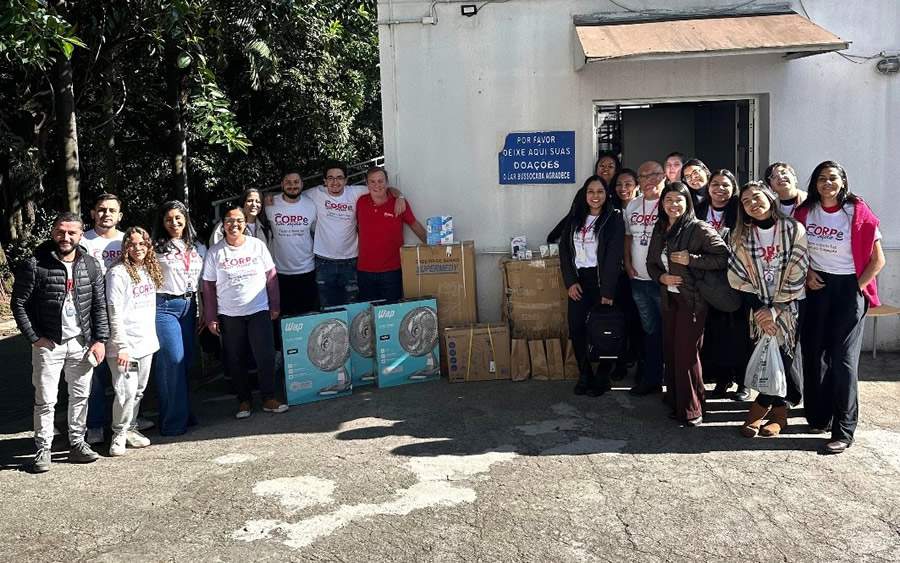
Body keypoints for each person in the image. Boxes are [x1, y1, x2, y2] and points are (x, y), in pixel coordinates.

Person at [794, 161, 885, 454]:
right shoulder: (805, 211)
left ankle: (844, 430)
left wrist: (856, 287)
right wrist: (807, 273)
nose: (827, 183)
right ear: (814, 183)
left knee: (843, 360)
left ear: (843, 181)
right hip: (816, 288)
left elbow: (877, 260)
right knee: (813, 353)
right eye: (821, 178)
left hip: (849, 288)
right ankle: (819, 417)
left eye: (833, 178)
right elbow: (797, 251)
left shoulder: (857, 211)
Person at [12, 212, 109, 473]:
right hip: (49, 344)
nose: (65, 237)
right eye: (60, 231)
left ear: (81, 234)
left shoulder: (90, 264)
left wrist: (100, 340)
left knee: (81, 395)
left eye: (71, 232)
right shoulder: (36, 263)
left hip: (81, 342)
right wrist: (35, 338)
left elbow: (99, 305)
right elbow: (19, 303)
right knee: (45, 400)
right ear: (53, 231)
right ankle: (43, 449)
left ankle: (77, 444)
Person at [728, 181, 808, 437]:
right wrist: (761, 309)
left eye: (757, 197)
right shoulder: (741, 235)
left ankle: (761, 411)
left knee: (783, 358)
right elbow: (736, 275)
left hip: (789, 306)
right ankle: (780, 416)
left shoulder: (793, 229)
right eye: (746, 200)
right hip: (758, 308)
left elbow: (799, 269)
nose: (753, 203)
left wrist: (775, 309)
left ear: (770, 197)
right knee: (767, 358)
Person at [647, 182, 729, 426]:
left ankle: (692, 409)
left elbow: (723, 257)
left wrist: (691, 259)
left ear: (687, 203)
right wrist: (660, 277)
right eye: (669, 200)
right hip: (669, 299)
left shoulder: (698, 228)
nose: (674, 205)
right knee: (671, 353)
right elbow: (652, 263)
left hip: (692, 301)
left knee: (686, 355)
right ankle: (675, 400)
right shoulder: (660, 228)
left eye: (678, 200)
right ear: (662, 204)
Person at [202, 205, 287, 419]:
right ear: (223, 224)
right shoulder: (215, 252)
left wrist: (274, 305)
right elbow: (209, 287)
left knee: (265, 356)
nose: (234, 225)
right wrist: (211, 317)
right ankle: (244, 401)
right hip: (230, 314)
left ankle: (269, 398)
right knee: (235, 359)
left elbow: (271, 276)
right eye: (230, 221)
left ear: (244, 223)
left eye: (239, 220)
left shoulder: (257, 246)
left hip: (259, 309)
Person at [557, 175, 625, 396]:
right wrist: (570, 282)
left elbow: (614, 255)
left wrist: (608, 291)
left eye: (600, 192)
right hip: (579, 281)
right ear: (585, 195)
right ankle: (584, 373)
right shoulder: (575, 217)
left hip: (602, 281)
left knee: (605, 330)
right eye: (591, 192)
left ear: (606, 195)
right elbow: (565, 252)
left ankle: (603, 376)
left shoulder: (613, 218)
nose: (595, 196)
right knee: (577, 328)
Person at [307, 161, 406, 307]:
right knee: (326, 307)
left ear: (346, 180)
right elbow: (292, 197)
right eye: (331, 178)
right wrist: (271, 199)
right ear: (324, 181)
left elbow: (384, 188)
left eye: (339, 177)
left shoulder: (355, 192)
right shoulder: (315, 193)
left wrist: (400, 197)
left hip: (351, 260)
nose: (335, 182)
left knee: (353, 308)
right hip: (324, 261)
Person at [104, 227, 162, 455]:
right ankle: (118, 434)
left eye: (142, 244)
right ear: (125, 247)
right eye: (132, 244)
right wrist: (121, 346)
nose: (137, 248)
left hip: (146, 341)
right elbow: (113, 311)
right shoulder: (117, 273)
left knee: (138, 390)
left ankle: (131, 427)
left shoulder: (149, 269)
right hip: (124, 345)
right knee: (125, 391)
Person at [695, 169, 751, 401]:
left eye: (725, 185)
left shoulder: (741, 211)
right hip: (708, 280)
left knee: (739, 332)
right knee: (715, 332)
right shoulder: (698, 210)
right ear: (708, 188)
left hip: (738, 279)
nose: (720, 189)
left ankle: (743, 382)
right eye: (715, 184)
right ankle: (721, 379)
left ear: (733, 188)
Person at [152, 201, 206, 436]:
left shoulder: (197, 247)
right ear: (162, 223)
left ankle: (181, 412)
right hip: (164, 307)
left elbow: (202, 282)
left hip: (189, 305)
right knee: (172, 362)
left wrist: (202, 309)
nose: (174, 223)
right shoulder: (155, 248)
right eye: (168, 219)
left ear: (186, 219)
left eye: (178, 218)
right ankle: (172, 423)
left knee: (186, 362)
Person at [81, 193, 126, 445]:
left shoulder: (126, 240)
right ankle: (95, 424)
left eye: (111, 210)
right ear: (92, 213)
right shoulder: (83, 241)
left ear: (119, 215)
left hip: (121, 313)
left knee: (125, 367)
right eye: (101, 209)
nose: (106, 214)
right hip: (90, 313)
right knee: (94, 370)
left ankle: (128, 419)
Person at [623, 161, 666, 395]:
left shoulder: (671, 203)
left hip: (663, 281)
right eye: (643, 176)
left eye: (654, 175)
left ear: (664, 177)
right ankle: (651, 379)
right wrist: (628, 264)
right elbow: (628, 238)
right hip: (638, 279)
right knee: (649, 330)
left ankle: (674, 381)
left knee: (669, 331)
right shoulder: (632, 206)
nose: (649, 180)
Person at [356, 166, 426, 302]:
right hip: (365, 271)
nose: (377, 185)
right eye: (373, 182)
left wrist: (433, 247)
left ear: (387, 183)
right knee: (367, 315)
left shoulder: (399, 203)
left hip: (392, 271)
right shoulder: (361, 202)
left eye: (380, 181)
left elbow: (414, 225)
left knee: (392, 314)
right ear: (367, 184)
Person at [265, 170, 318, 316]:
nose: (292, 186)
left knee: (307, 315)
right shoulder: (270, 204)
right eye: (288, 182)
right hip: (279, 271)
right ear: (282, 184)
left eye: (296, 182)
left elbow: (314, 230)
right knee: (283, 317)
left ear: (302, 184)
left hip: (306, 269)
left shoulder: (311, 205)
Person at [609, 168, 642, 379]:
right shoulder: (610, 209)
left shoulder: (644, 208)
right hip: (616, 272)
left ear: (637, 186)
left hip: (640, 272)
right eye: (619, 184)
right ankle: (619, 362)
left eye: (628, 184)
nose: (623, 189)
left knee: (638, 319)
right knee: (618, 318)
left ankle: (638, 359)